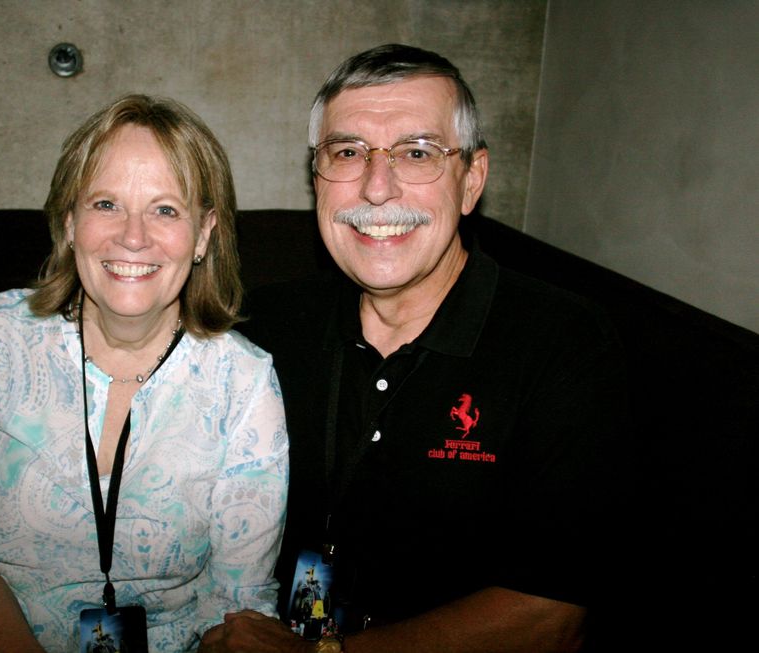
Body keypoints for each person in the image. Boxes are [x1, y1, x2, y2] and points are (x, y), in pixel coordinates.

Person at [202, 44, 628, 652]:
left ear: (471, 181)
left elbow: (550, 615)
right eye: (347, 152)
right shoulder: (263, 327)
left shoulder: (562, 342)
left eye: (418, 153)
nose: (378, 188)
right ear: (316, 178)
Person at [0, 95, 289, 653]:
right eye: (106, 203)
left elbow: (240, 604)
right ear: (69, 222)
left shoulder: (245, 381)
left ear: (204, 233)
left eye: (165, 209)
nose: (132, 237)